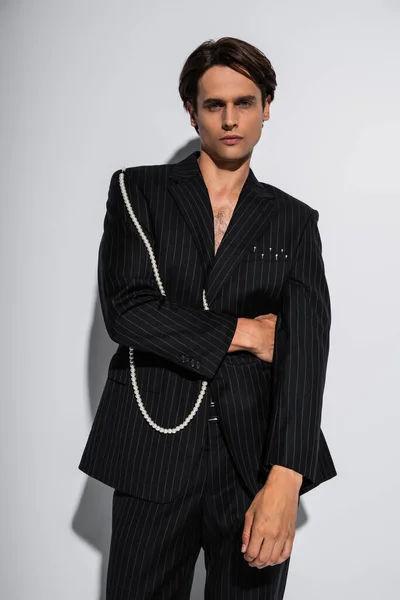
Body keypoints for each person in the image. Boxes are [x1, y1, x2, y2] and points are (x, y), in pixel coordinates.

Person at [78, 36, 337, 599]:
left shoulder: (295, 221)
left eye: (244, 103)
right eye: (214, 105)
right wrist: (247, 333)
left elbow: (306, 357)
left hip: (254, 462)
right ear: (191, 110)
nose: (230, 119)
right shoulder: (137, 191)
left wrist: (285, 480)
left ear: (267, 107)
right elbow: (128, 312)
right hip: (153, 447)